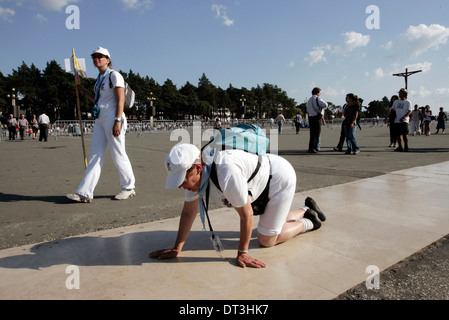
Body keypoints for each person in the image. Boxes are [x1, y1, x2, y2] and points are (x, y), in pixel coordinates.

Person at [150, 144, 327, 268]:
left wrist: (243, 252)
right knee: (266, 228)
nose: (181, 185)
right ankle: (306, 210)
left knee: (266, 239)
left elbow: (246, 214)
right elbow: (189, 213)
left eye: (182, 179)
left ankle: (310, 221)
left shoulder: (225, 172)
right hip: (260, 182)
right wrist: (176, 248)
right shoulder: (196, 179)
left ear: (197, 167)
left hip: (278, 179)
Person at [66, 46, 136, 203]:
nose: (96, 59)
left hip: (113, 117)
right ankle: (85, 192)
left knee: (118, 153)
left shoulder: (114, 75)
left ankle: (129, 187)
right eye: (94, 57)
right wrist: (83, 91)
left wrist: (117, 121)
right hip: (100, 118)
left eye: (100, 56)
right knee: (95, 155)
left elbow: (120, 100)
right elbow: (98, 100)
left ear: (108, 59)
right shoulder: (99, 79)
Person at [306, 87, 328, 153]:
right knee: (317, 133)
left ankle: (311, 147)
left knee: (312, 134)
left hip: (311, 117)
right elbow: (325, 105)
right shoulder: (318, 98)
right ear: (317, 93)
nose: (320, 94)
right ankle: (314, 148)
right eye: (320, 93)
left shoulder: (309, 100)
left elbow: (307, 110)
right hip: (316, 117)